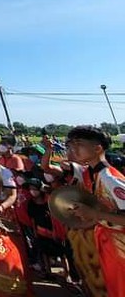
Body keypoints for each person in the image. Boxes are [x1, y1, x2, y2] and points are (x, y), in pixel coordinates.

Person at [65, 126, 125, 297]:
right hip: (108, 243)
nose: (73, 149)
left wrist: (95, 214)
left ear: (97, 148)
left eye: (79, 144)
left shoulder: (109, 177)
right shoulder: (95, 175)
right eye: (71, 145)